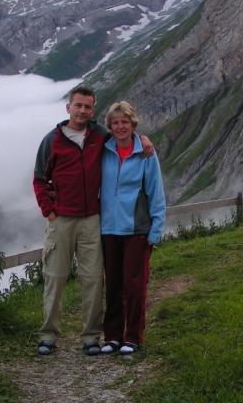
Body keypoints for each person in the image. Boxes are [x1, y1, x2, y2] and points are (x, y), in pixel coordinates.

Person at [32, 87, 153, 357]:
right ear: (68, 108)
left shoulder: (99, 136)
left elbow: (125, 135)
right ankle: (49, 335)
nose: (83, 111)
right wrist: (49, 211)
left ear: (93, 109)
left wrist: (144, 139)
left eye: (88, 107)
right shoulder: (52, 141)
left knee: (93, 280)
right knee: (55, 277)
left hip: (91, 219)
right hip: (61, 218)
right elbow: (39, 178)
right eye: (78, 106)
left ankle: (90, 337)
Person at [99, 101, 166, 355]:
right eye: (115, 123)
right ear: (110, 126)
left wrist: (156, 229)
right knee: (114, 284)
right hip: (109, 229)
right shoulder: (104, 150)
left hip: (137, 229)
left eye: (124, 122)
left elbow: (155, 192)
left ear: (133, 124)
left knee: (135, 285)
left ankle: (133, 337)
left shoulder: (146, 153)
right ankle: (113, 336)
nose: (119, 127)